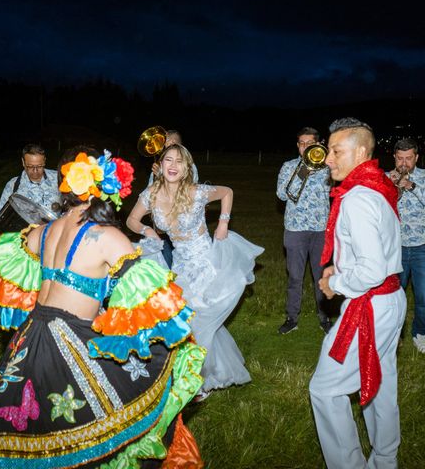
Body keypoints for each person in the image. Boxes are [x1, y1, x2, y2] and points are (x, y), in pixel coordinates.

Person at [0, 146, 206, 468]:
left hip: (30, 337)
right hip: (68, 339)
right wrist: (178, 336)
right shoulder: (106, 236)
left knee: (34, 430)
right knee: (96, 429)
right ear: (103, 191)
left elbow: (19, 278)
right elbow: (149, 300)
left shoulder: (41, 232)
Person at [127, 143, 263, 397]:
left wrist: (223, 224)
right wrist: (146, 230)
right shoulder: (151, 195)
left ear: (187, 168)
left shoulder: (196, 192)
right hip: (180, 265)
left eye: (180, 161)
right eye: (169, 160)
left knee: (198, 320)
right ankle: (200, 372)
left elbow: (227, 192)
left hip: (206, 263)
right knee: (187, 320)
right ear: (160, 165)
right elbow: (131, 219)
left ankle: (195, 379)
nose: (174, 166)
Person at [309, 118, 406, 469]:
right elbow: (376, 253)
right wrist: (342, 268)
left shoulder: (357, 199)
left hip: (371, 304)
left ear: (361, 152)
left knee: (325, 388)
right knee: (379, 383)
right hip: (390, 299)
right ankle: (385, 459)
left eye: (337, 151)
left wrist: (334, 284)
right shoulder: (376, 187)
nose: (328, 159)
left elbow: (370, 271)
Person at [276, 127, 332, 334]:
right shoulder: (289, 166)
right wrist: (302, 172)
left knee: (321, 275)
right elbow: (282, 194)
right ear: (297, 146)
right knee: (295, 276)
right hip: (295, 229)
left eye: (310, 143)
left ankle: (324, 316)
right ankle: (292, 317)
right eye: (301, 143)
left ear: (318, 145)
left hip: (320, 229)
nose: (305, 147)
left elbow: (336, 190)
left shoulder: (328, 168)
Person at [388, 138, 425, 353]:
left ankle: (420, 334)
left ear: (416, 157)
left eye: (408, 158)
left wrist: (411, 186)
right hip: (395, 248)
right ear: (394, 157)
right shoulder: (385, 178)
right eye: (400, 158)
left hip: (423, 248)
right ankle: (393, 335)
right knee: (392, 297)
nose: (404, 163)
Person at [146, 130, 198, 269]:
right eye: (164, 143)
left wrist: (162, 176)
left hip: (181, 225)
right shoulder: (159, 166)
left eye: (171, 142)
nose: (167, 145)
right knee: (164, 261)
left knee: (183, 262)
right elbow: (149, 195)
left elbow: (185, 190)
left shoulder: (189, 166)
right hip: (163, 225)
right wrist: (157, 176)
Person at [0, 143, 60, 220]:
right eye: (30, 166)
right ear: (23, 162)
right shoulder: (13, 186)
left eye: (39, 166)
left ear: (44, 161)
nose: (35, 170)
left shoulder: (59, 179)